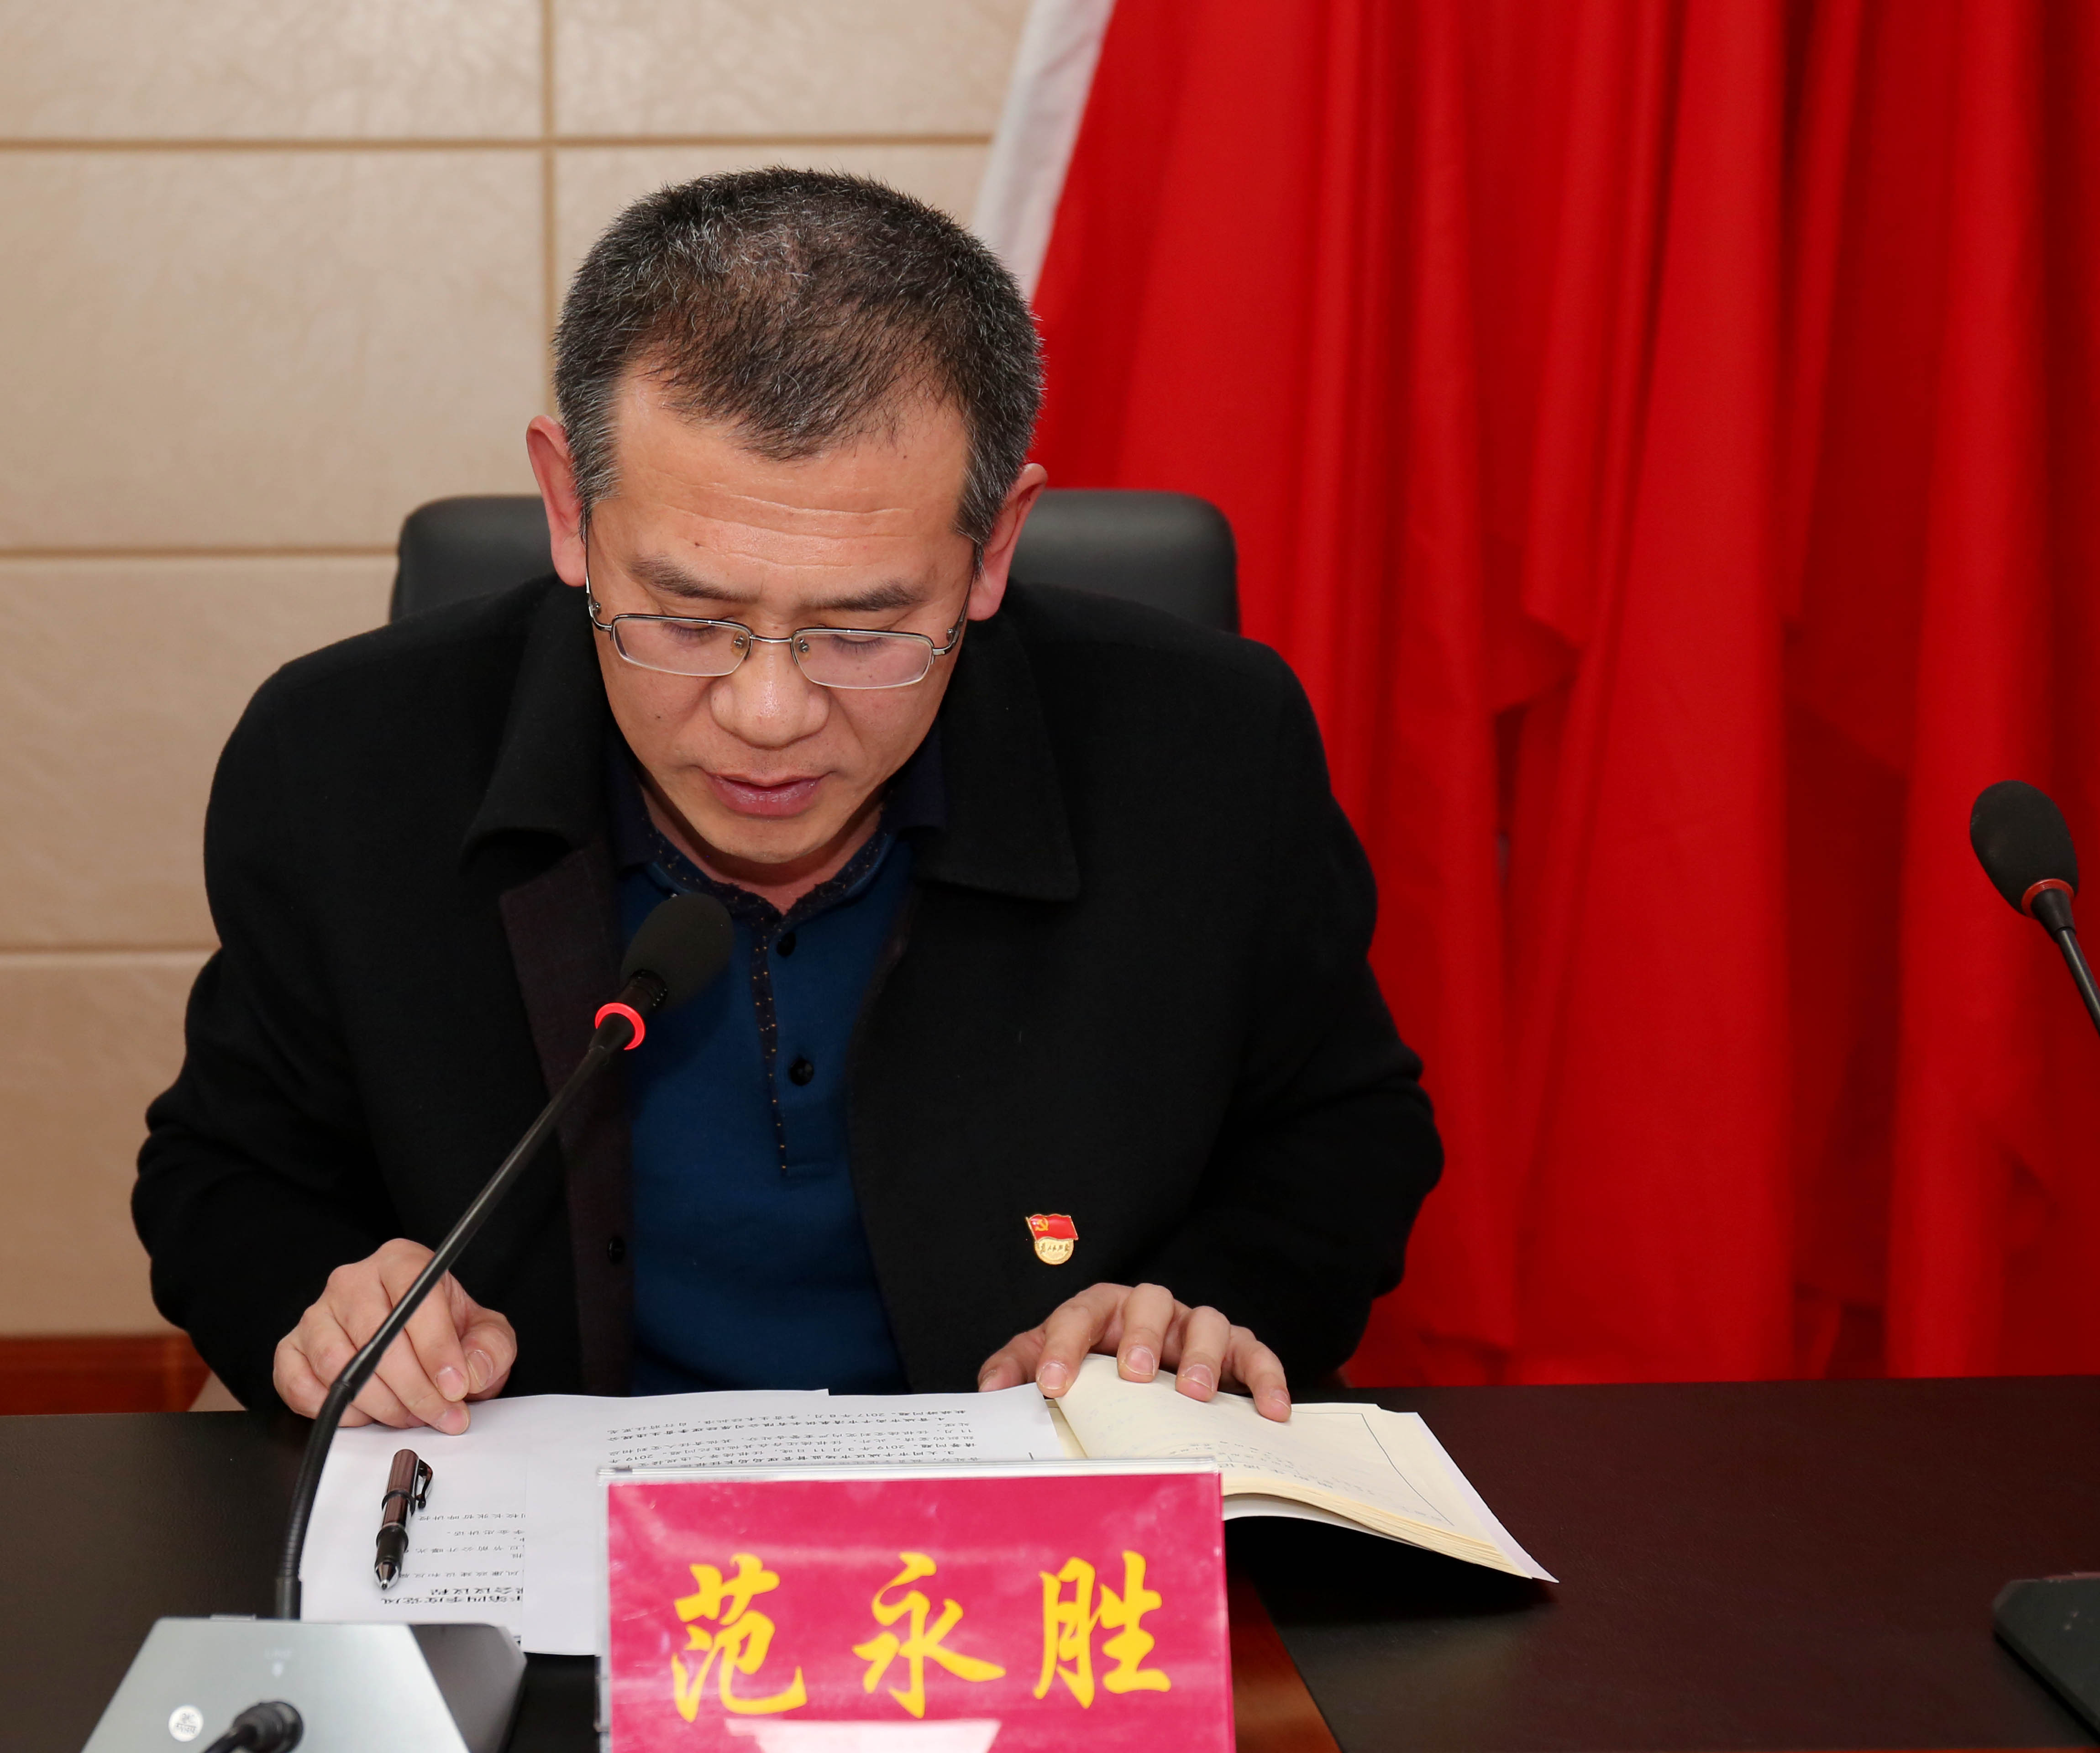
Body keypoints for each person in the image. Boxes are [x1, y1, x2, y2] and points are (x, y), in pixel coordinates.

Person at [134, 169, 1441, 1433]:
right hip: (538, 1517)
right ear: (568, 509)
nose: (770, 715)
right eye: (688, 618)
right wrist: (329, 1306)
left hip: (1032, 1521)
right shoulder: (343, 759)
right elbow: (227, 1175)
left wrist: (1197, 1308)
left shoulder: (1207, 750)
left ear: (992, 547)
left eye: (863, 630)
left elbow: (1343, 1134)